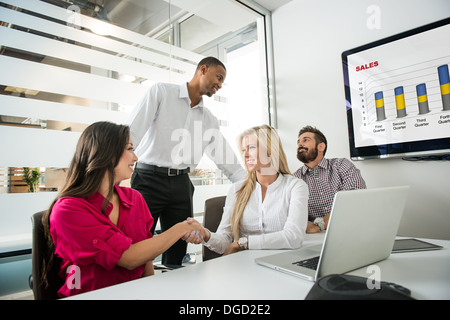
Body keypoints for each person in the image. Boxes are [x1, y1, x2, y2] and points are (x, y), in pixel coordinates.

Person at [42, 122, 203, 297]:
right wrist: (182, 228)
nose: (135, 158)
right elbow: (129, 258)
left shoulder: (135, 198)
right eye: (129, 149)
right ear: (105, 153)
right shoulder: (68, 210)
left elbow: (145, 256)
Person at [128, 57, 246, 265]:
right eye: (218, 77)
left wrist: (252, 183)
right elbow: (133, 132)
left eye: (222, 81)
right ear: (203, 69)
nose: (219, 84)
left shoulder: (208, 119)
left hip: (181, 184)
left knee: (177, 251)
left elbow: (226, 159)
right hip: (148, 180)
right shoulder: (161, 93)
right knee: (138, 244)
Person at [187, 124, 309, 255]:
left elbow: (294, 237)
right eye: (243, 150)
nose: (245, 155)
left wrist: (243, 243)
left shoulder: (295, 186)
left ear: (270, 150)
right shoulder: (236, 189)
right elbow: (224, 242)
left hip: (281, 263)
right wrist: (206, 235)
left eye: (251, 147)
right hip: (245, 265)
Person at [294, 125, 366, 233]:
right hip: (313, 238)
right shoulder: (295, 178)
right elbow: (292, 213)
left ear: (321, 147)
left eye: (306, 140)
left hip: (350, 230)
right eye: (298, 142)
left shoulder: (341, 165)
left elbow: (355, 198)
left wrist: (320, 224)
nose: (300, 144)